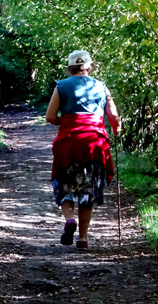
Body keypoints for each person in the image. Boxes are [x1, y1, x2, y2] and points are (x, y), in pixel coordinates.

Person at [45, 50, 121, 249]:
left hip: (69, 143)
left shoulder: (61, 86)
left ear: (70, 68)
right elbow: (113, 117)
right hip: (94, 143)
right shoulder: (102, 87)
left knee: (65, 184)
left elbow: (50, 117)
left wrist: (69, 123)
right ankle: (83, 239)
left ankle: (69, 219)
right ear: (89, 66)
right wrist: (116, 129)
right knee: (88, 191)